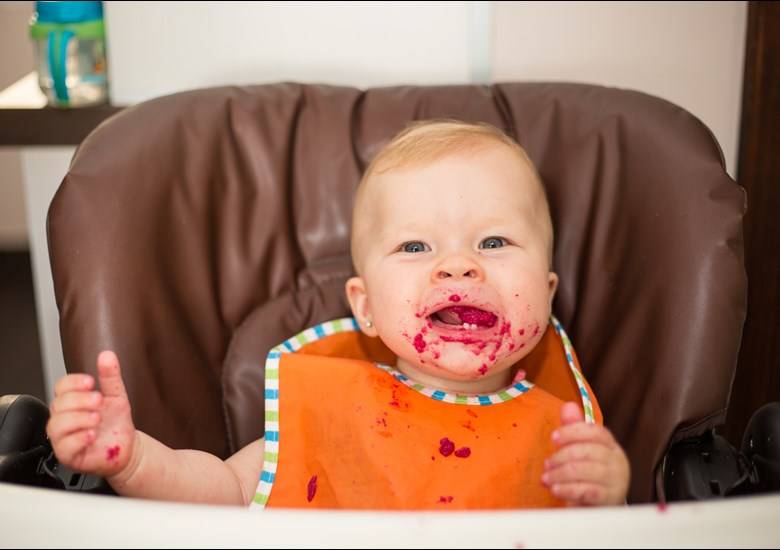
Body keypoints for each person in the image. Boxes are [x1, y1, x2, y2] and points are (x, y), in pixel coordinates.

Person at [46, 120, 630, 509]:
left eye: (495, 242)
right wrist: (135, 460)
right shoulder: (330, 408)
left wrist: (610, 493)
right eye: (416, 247)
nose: (459, 267)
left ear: (549, 293)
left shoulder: (565, 438)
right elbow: (225, 490)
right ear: (365, 307)